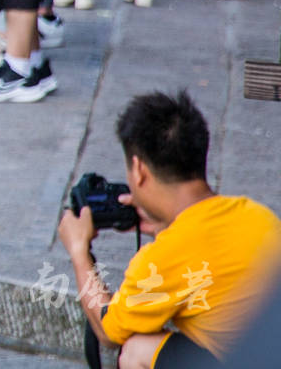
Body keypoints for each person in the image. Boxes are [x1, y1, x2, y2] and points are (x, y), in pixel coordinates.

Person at [57, 91, 281, 369]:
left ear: (138, 170)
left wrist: (79, 253)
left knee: (135, 349)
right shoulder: (256, 214)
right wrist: (168, 230)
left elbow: (107, 331)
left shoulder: (162, 258)